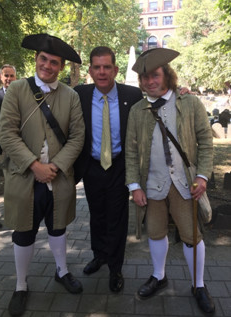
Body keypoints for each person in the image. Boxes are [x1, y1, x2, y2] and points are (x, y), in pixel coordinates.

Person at [0, 33, 85, 316]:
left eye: (54, 62)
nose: (47, 65)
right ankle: (21, 285)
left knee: (58, 227)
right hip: (25, 177)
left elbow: (77, 137)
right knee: (24, 232)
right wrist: (35, 165)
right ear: (36, 59)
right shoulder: (17, 90)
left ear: (61, 67)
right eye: (43, 59)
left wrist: (55, 167)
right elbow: (7, 134)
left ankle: (61, 271)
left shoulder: (71, 96)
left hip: (58, 178)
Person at [125, 48, 215, 314]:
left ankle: (198, 285)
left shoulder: (189, 102)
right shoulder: (138, 110)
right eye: (144, 77)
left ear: (167, 75)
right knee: (155, 232)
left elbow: (206, 143)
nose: (149, 81)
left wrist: (202, 176)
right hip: (151, 185)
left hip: (185, 183)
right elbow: (131, 151)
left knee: (191, 236)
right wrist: (134, 186)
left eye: (154, 75)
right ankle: (159, 275)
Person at [74, 46, 143, 292]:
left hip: (119, 166)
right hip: (91, 166)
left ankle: (115, 268)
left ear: (115, 69)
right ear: (90, 70)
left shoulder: (133, 95)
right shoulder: (79, 94)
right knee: (97, 214)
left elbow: (157, 96)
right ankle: (99, 255)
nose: (102, 72)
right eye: (97, 67)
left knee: (117, 218)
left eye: (107, 67)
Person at [0, 64, 17, 230]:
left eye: (11, 75)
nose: (8, 79)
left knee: (14, 181)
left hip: (17, 147)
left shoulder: (22, 95)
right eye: (6, 76)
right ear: (1, 77)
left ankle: (15, 215)